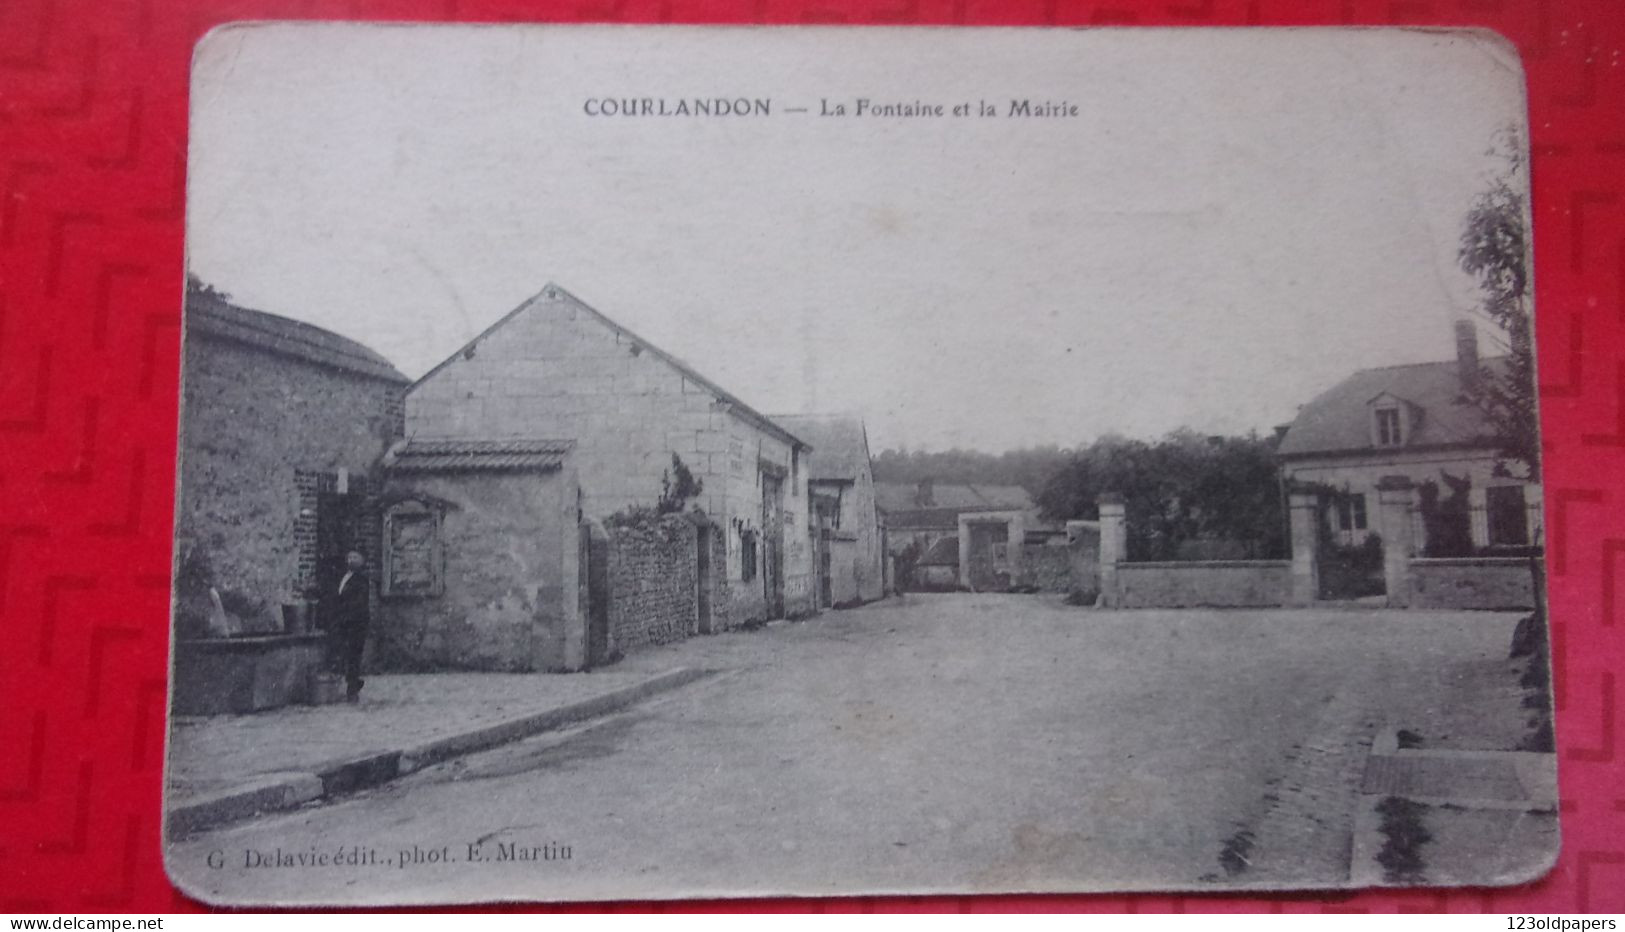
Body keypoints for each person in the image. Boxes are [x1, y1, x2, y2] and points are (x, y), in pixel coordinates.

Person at [327, 550, 371, 702]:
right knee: (344, 654)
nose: (351, 560)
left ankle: (352, 689)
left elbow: (359, 603)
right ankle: (353, 682)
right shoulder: (344, 577)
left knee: (353, 655)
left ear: (362, 561)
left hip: (356, 623)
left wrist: (346, 616)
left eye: (355, 557)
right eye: (349, 557)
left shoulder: (362, 580)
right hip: (343, 622)